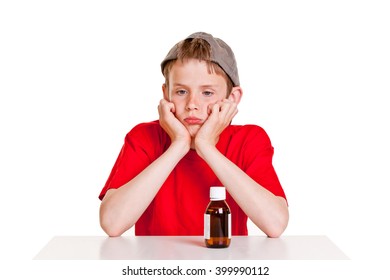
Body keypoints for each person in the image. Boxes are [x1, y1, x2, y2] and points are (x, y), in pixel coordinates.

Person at [98, 32, 288, 238]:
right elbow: (112, 223)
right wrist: (178, 145)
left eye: (207, 93)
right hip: (155, 267)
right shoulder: (143, 137)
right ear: (166, 94)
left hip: (225, 264)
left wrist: (206, 146)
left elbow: (275, 224)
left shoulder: (249, 139)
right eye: (181, 92)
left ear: (232, 99)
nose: (192, 105)